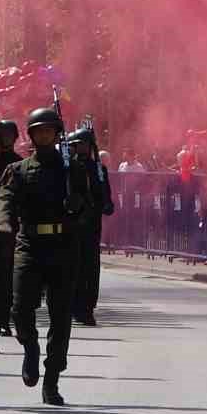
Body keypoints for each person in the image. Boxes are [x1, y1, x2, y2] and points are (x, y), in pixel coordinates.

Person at [0, 107, 91, 407]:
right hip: (30, 245)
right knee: (20, 307)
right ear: (32, 135)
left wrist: (78, 205)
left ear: (57, 134)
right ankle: (31, 348)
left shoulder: (73, 170)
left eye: (49, 130)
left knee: (61, 317)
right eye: (39, 130)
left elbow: (90, 206)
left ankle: (51, 380)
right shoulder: (19, 170)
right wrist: (4, 223)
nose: (44, 135)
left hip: (63, 246)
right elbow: (4, 199)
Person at [67, 127, 114, 325]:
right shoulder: (67, 168)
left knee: (91, 267)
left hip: (92, 224)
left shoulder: (98, 169)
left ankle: (87, 306)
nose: (82, 148)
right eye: (78, 145)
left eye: (85, 144)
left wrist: (107, 203)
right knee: (73, 266)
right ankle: (74, 306)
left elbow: (105, 192)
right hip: (73, 224)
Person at [0, 118, 23, 336]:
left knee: (4, 276)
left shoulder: (18, 163)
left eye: (11, 134)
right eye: (3, 134)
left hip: (8, 227)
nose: (7, 138)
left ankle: (3, 318)